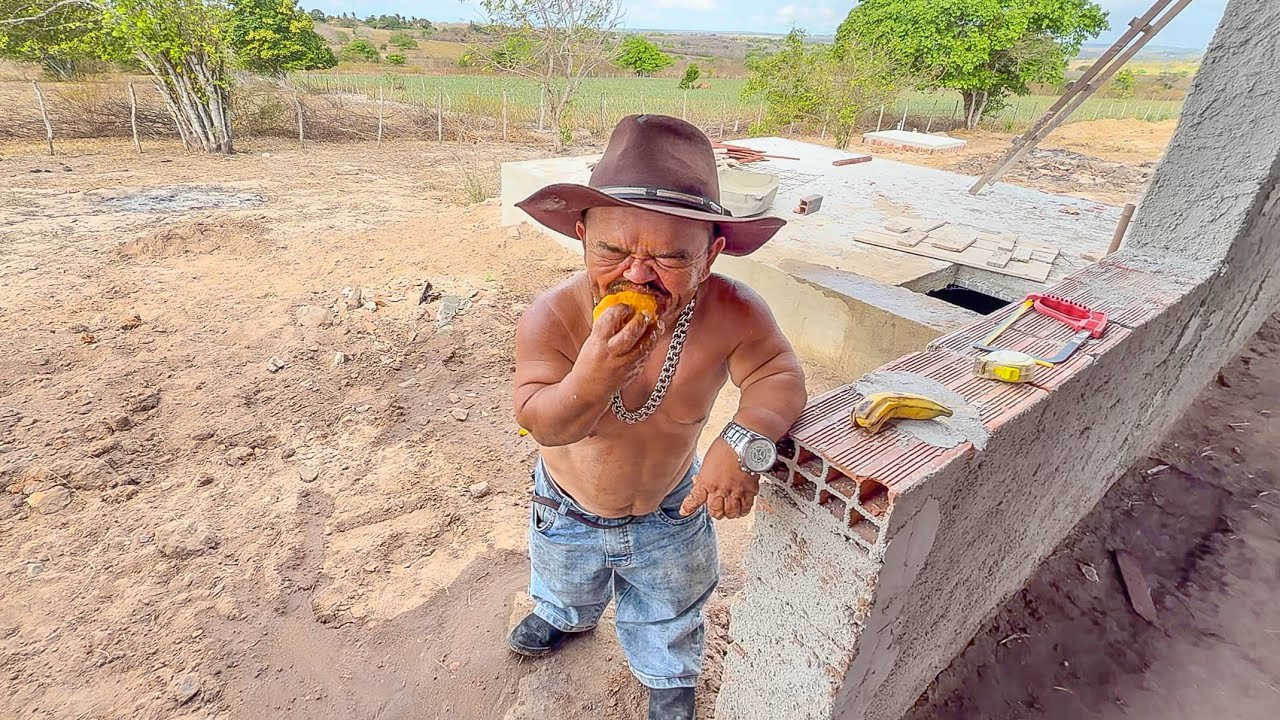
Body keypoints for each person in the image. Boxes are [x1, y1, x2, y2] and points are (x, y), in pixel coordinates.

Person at [509, 114, 808, 720]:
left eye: (670, 256)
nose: (638, 274)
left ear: (712, 253)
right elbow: (541, 421)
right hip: (565, 503)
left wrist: (746, 437)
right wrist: (595, 374)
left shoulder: (732, 313)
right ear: (581, 234)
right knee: (563, 575)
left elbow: (778, 374)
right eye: (612, 251)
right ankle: (564, 615)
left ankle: (668, 672)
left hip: (673, 506)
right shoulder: (554, 316)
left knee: (672, 601)